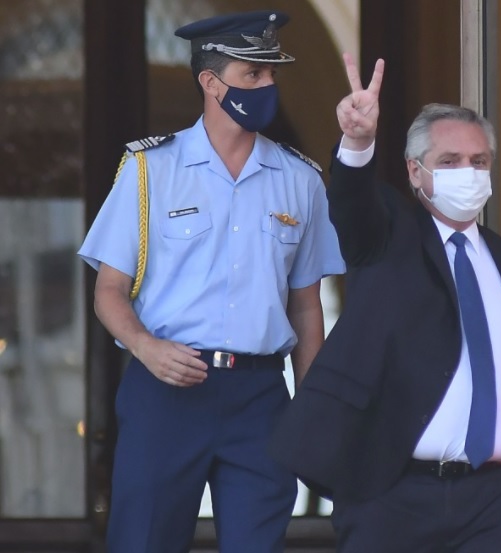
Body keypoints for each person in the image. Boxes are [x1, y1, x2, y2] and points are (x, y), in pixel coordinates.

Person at [272, 53, 501, 553]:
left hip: (496, 498)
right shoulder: (387, 238)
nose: (468, 172)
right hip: (394, 493)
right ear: (415, 173)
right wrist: (357, 141)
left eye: (478, 161)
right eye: (449, 162)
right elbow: (353, 205)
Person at [77, 10, 345, 553]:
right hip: (167, 389)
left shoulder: (301, 179)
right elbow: (108, 291)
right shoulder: (151, 170)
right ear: (210, 82)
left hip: (261, 395)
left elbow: (307, 306)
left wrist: (312, 402)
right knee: (144, 540)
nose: (268, 88)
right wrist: (146, 348)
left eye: (273, 76)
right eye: (253, 76)